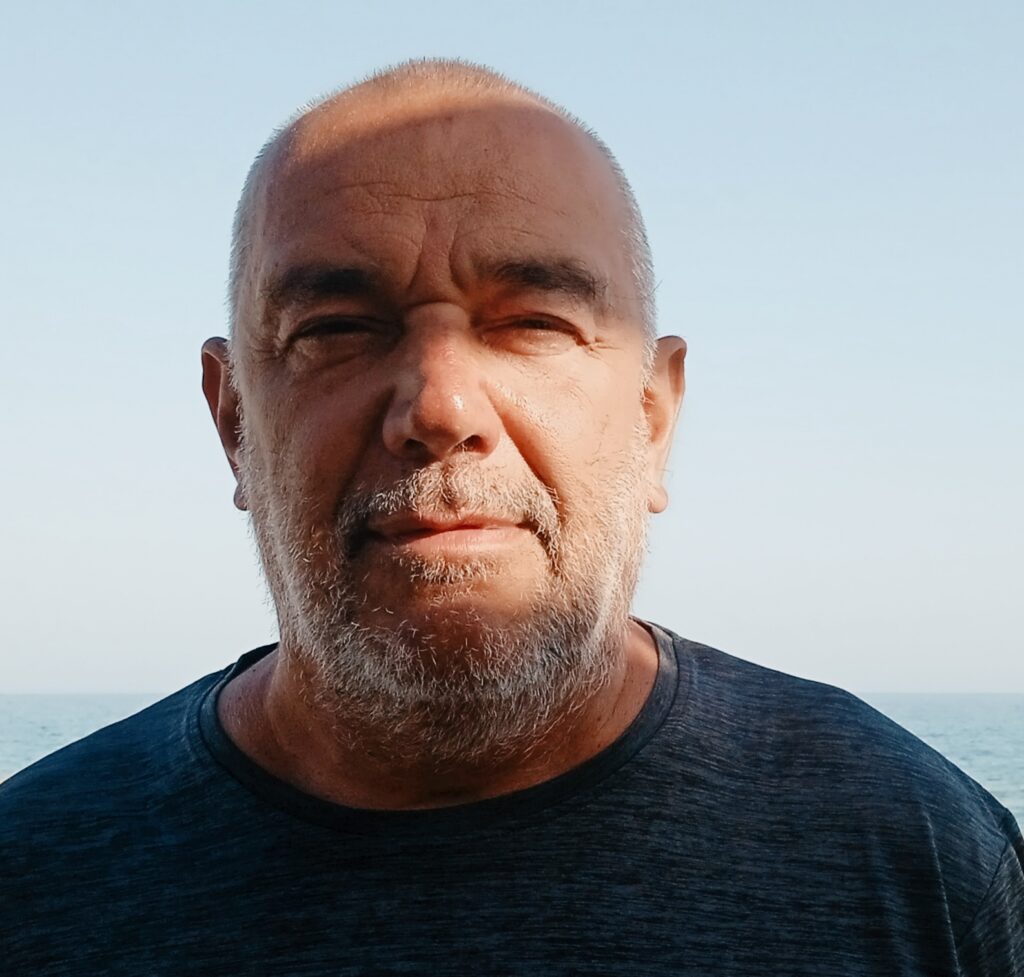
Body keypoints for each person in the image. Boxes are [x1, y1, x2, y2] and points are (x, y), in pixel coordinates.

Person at [1, 59, 1021, 976]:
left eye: (533, 323)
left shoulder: (915, 851)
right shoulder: (33, 880)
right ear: (234, 422)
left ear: (652, 419)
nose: (440, 407)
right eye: (337, 329)